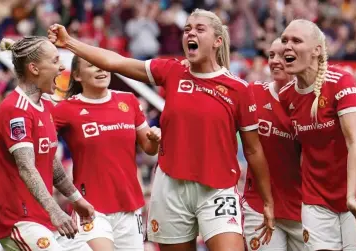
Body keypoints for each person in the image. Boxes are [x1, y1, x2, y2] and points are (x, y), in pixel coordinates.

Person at [48, 8, 275, 251]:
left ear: (217, 41)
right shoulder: (172, 71)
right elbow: (116, 61)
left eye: (200, 29)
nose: (191, 33)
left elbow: (253, 151)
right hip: (171, 187)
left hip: (217, 189)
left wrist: (267, 201)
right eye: (187, 29)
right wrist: (69, 42)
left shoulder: (238, 89)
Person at [278, 19, 356, 251]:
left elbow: (355, 143)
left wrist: (351, 197)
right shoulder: (286, 95)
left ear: (317, 49)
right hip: (317, 199)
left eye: (296, 40)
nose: (287, 46)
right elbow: (296, 151)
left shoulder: (340, 82)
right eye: (285, 40)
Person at [0, 36, 95, 251]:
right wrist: (55, 210)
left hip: (44, 217)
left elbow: (50, 161)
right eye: (55, 61)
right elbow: (26, 167)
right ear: (34, 69)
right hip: (19, 219)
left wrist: (75, 197)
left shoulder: (45, 105)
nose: (62, 67)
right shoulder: (16, 109)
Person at [52, 55, 161, 251]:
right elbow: (40, 142)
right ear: (77, 75)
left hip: (130, 206)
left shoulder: (128, 101)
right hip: (91, 208)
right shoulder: (65, 110)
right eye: (92, 65)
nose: (101, 69)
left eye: (103, 64)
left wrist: (154, 139)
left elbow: (149, 148)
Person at [243, 38, 303, 251]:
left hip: (304, 209)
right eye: (271, 55)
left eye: (283, 56)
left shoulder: (312, 101)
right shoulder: (252, 93)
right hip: (258, 206)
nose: (275, 61)